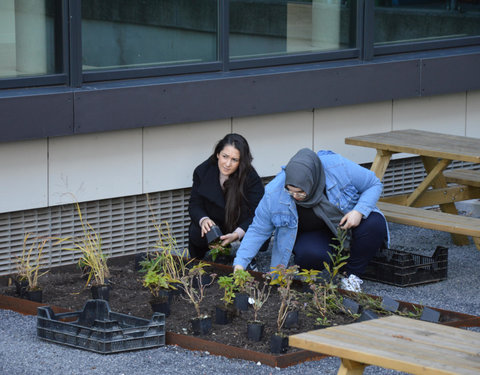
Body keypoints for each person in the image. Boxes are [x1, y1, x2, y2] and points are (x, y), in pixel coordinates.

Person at [233, 148, 389, 292]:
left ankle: (352, 275)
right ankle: (335, 267)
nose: (295, 197)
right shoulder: (274, 192)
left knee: (374, 225)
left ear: (313, 182)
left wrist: (359, 211)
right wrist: (240, 263)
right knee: (308, 255)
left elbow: (373, 184)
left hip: (346, 222)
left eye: (300, 193)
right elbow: (258, 230)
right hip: (314, 233)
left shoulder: (337, 166)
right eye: (290, 191)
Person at [188, 133, 266, 261]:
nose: (228, 164)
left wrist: (237, 234)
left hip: (240, 221)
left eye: (234, 160)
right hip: (215, 221)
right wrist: (204, 220)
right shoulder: (203, 171)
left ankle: (248, 257)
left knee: (259, 229)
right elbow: (195, 204)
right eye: (225, 156)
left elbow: (258, 212)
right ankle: (202, 259)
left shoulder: (251, 177)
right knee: (197, 229)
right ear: (218, 154)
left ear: (241, 162)